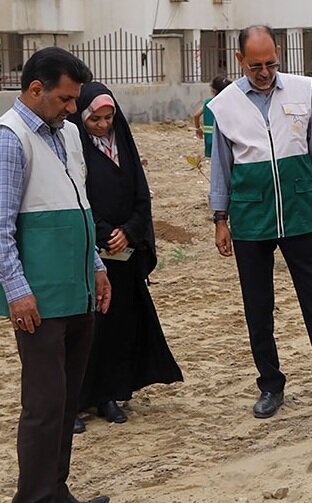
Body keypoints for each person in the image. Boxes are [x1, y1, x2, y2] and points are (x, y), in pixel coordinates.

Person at [208, 25, 312, 419]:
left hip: (299, 212)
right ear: (240, 60)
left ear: (278, 56)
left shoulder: (301, 90)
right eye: (255, 65)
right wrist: (220, 219)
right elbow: (221, 169)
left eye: (270, 63)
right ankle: (270, 385)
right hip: (250, 217)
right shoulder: (224, 106)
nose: (264, 72)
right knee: (258, 306)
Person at [0, 47, 111, 503]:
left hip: (78, 289)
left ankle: (55, 492)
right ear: (35, 89)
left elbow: (81, 206)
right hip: (40, 299)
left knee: (66, 402)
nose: (72, 109)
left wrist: (97, 267)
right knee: (44, 406)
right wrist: (18, 292)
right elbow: (2, 226)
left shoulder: (64, 133)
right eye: (65, 99)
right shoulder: (10, 139)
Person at [69, 82, 184, 433]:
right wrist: (104, 233)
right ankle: (74, 400)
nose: (103, 125)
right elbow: (76, 195)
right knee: (84, 329)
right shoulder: (74, 147)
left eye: (108, 118)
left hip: (125, 254)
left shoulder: (123, 143)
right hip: (89, 252)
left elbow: (140, 193)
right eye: (95, 120)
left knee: (117, 324)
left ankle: (108, 394)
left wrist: (131, 232)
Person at [194, 75, 231, 158]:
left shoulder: (208, 103)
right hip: (223, 140)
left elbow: (196, 115)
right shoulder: (228, 103)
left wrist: (198, 128)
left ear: (213, 90)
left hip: (209, 140)